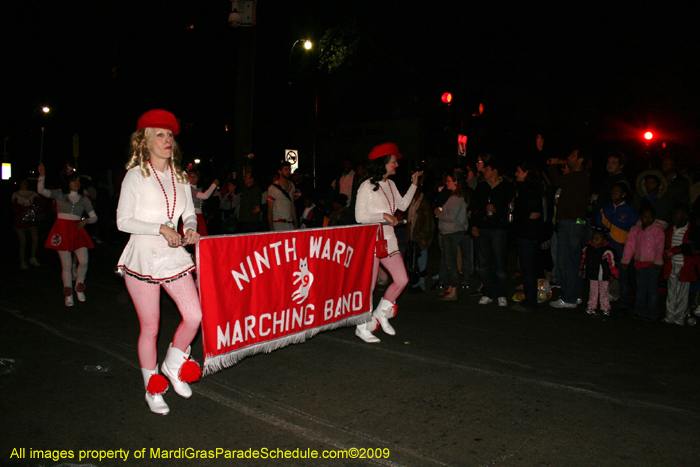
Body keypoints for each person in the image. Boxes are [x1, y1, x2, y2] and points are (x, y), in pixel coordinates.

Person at [116, 109, 202, 415]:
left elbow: (189, 212)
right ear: (145, 141)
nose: (167, 140)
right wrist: (160, 228)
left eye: (170, 135)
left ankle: (174, 361)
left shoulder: (180, 176)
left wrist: (189, 227)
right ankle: (152, 387)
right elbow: (122, 221)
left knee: (194, 315)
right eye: (160, 135)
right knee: (150, 327)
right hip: (142, 257)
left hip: (173, 255)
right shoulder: (135, 175)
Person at [354, 142, 421, 343]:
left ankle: (379, 314)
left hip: (389, 240)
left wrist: (414, 185)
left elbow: (401, 205)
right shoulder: (366, 186)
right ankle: (362, 325)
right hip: (372, 241)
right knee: (370, 285)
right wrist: (383, 215)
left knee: (402, 279)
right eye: (393, 161)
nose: (397, 165)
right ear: (383, 163)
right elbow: (360, 217)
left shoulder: (391, 185)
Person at [37, 164, 97, 306]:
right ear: (67, 182)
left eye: (78, 181)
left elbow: (94, 217)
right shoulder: (59, 194)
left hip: (77, 231)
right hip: (62, 231)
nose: (76, 183)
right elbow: (41, 190)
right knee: (67, 265)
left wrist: (86, 220)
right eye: (73, 180)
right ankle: (68, 293)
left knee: (84, 261)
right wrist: (42, 176)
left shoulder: (84, 199)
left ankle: (79, 285)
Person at [547, 148, 591, 309]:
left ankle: (569, 297)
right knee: (574, 260)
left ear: (580, 160)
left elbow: (558, 181)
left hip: (570, 223)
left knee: (567, 261)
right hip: (574, 223)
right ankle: (575, 295)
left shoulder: (577, 176)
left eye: (573, 156)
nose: (569, 158)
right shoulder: (579, 177)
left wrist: (553, 165)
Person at [470, 154, 516, 307]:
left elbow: (511, 209)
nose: (484, 171)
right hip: (483, 228)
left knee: (499, 262)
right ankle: (487, 292)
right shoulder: (482, 187)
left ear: (494, 170)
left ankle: (501, 293)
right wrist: (474, 225)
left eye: (487, 169)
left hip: (498, 229)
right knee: (484, 263)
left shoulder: (506, 187)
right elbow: (474, 207)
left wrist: (498, 210)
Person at [597, 183, 638, 311]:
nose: (613, 194)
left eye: (616, 192)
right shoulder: (606, 208)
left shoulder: (628, 210)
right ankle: (604, 297)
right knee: (605, 272)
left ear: (624, 194)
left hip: (622, 247)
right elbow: (600, 226)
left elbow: (634, 229)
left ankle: (624, 301)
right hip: (608, 246)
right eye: (612, 191)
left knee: (623, 275)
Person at [511, 161, 544, 313]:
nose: (516, 174)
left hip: (528, 234)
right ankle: (529, 297)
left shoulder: (531, 189)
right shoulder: (522, 189)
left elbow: (529, 211)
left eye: (519, 171)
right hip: (524, 232)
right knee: (527, 267)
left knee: (529, 267)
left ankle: (531, 300)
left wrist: (519, 210)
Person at [622, 206, 666, 321]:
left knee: (652, 288)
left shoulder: (657, 230)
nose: (648, 219)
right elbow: (630, 246)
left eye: (651, 217)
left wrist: (657, 260)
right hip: (639, 263)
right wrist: (626, 260)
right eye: (645, 217)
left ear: (654, 217)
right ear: (640, 218)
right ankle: (639, 310)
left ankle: (651, 312)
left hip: (652, 264)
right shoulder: (635, 229)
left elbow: (659, 246)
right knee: (641, 288)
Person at [434, 172, 468, 301]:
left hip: (451, 232)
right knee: (449, 261)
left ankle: (454, 290)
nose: (446, 183)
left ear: (456, 183)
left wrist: (439, 214)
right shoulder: (454, 197)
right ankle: (451, 287)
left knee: (451, 262)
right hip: (450, 231)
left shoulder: (456, 198)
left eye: (449, 181)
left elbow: (450, 216)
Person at [663, 204, 698, 325]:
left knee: (682, 293)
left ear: (685, 216)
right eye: (673, 214)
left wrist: (679, 249)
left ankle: (679, 317)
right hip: (672, 265)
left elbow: (694, 249)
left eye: (676, 215)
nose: (673, 217)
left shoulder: (691, 231)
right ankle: (670, 315)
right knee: (672, 291)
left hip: (685, 266)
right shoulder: (670, 230)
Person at [580, 227, 618, 317]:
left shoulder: (607, 250)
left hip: (603, 276)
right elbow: (584, 260)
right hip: (592, 274)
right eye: (593, 238)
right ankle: (591, 306)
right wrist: (581, 269)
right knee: (593, 291)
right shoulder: (588, 249)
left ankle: (605, 308)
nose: (594, 240)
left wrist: (613, 274)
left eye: (597, 239)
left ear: (604, 240)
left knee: (604, 292)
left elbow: (612, 263)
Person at [405, 174, 434, 292]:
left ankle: (420, 284)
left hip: (420, 238)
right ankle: (414, 282)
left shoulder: (423, 204)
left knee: (421, 262)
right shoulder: (413, 203)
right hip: (414, 236)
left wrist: (418, 236)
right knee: (413, 262)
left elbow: (427, 225)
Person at [12, 178, 43, 270]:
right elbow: (14, 207)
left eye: (26, 183)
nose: (24, 184)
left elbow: (41, 203)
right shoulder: (16, 194)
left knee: (35, 238)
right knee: (23, 242)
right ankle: (22, 261)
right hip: (20, 219)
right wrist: (22, 210)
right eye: (23, 182)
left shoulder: (32, 193)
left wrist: (35, 209)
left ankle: (33, 258)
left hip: (31, 219)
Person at [267, 161, 298, 231]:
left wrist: (295, 222)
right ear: (280, 171)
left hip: (290, 223)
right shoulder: (273, 188)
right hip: (278, 223)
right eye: (286, 169)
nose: (288, 171)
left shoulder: (291, 185)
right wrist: (271, 228)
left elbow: (292, 205)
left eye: (289, 169)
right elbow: (270, 209)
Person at [187, 170, 218, 236]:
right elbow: (205, 196)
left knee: (202, 236)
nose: (192, 178)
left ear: (198, 178)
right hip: (193, 216)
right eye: (190, 176)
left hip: (199, 216)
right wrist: (214, 184)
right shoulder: (189, 188)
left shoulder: (198, 189)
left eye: (194, 176)